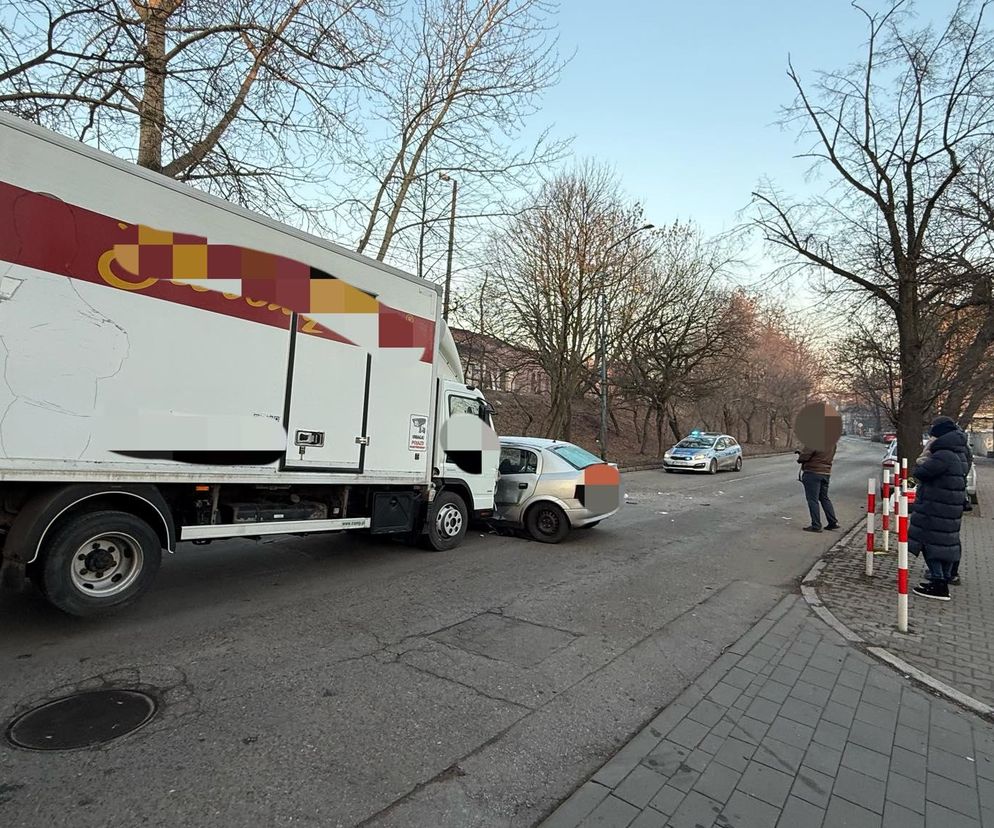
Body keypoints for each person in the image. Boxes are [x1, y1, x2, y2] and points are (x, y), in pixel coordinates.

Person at [910, 416, 970, 601]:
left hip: (936, 506)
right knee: (944, 545)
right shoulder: (959, 453)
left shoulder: (943, 454)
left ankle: (938, 583)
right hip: (949, 507)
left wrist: (925, 455)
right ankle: (942, 579)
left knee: (931, 544)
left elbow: (921, 472)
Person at [797, 443, 839, 532]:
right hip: (826, 473)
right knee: (824, 498)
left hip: (812, 472)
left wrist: (800, 455)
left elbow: (804, 457)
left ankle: (816, 525)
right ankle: (832, 522)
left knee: (812, 500)